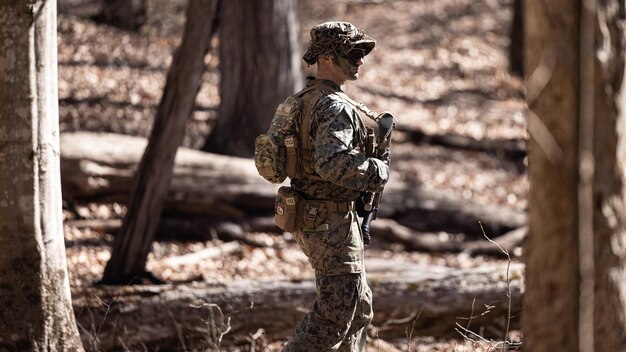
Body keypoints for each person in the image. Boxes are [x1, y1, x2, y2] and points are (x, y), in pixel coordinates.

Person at [282, 21, 390, 352]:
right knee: (335, 315)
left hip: (314, 216)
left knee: (358, 308)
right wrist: (378, 170)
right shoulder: (335, 107)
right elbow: (333, 165)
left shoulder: (303, 99)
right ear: (327, 58)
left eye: (362, 53)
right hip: (331, 222)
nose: (360, 60)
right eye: (352, 53)